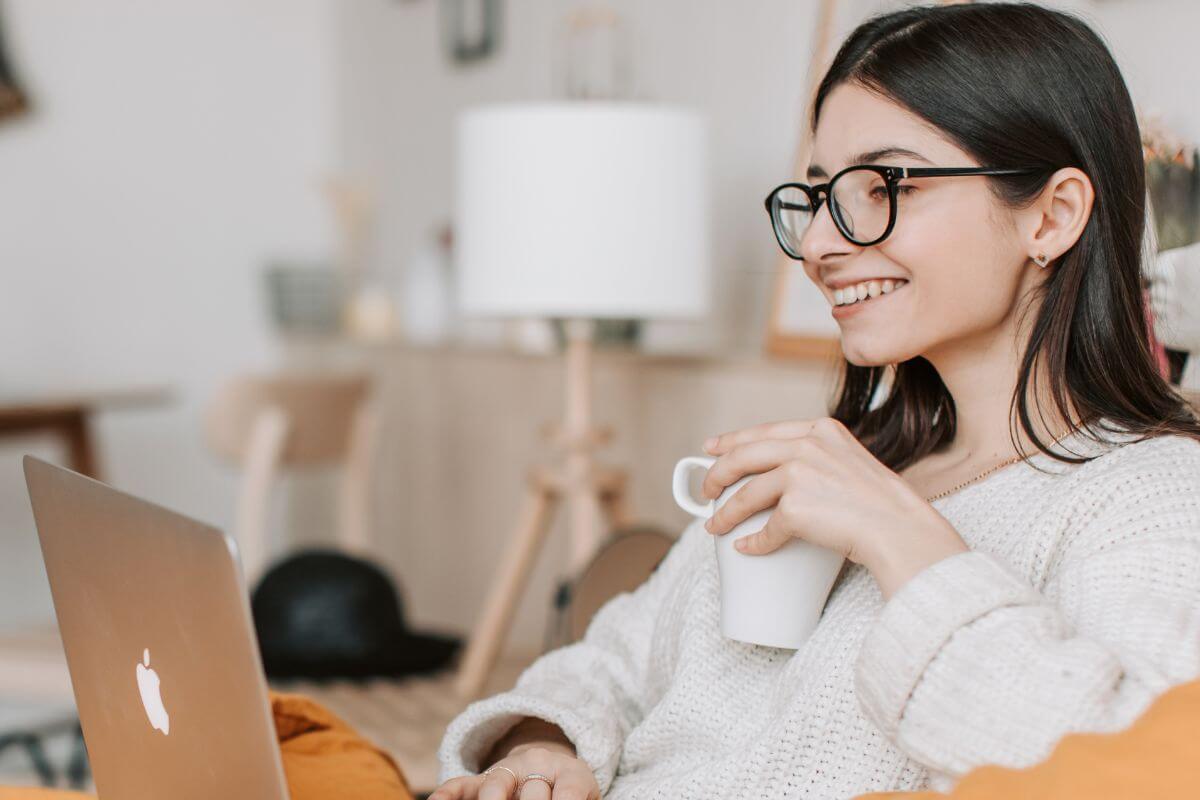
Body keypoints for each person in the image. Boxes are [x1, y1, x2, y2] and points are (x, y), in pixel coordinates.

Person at [430, 2, 1200, 799]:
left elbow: (1129, 762)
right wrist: (544, 750)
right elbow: (611, 662)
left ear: (1053, 214)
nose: (824, 244)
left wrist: (899, 536)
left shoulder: (1149, 495)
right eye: (822, 195)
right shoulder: (841, 459)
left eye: (882, 185)